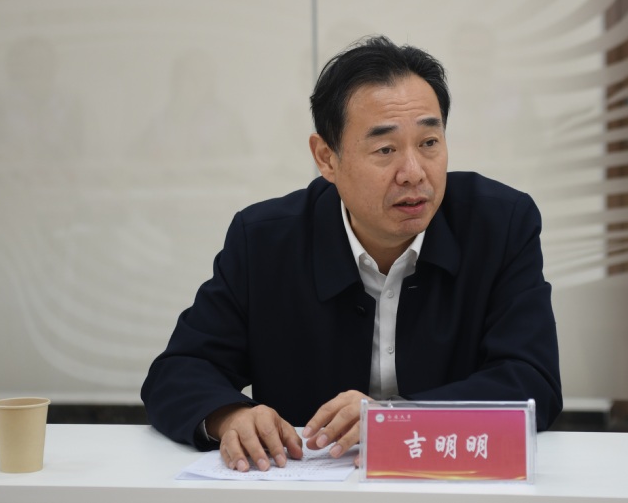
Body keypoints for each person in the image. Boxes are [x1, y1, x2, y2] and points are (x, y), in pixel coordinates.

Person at [141, 35, 562, 472]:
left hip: (450, 483)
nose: (413, 173)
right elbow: (180, 370)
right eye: (385, 149)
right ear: (326, 158)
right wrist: (231, 417)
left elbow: (532, 380)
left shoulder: (500, 225)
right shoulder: (265, 241)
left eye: (429, 143)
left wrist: (397, 420)